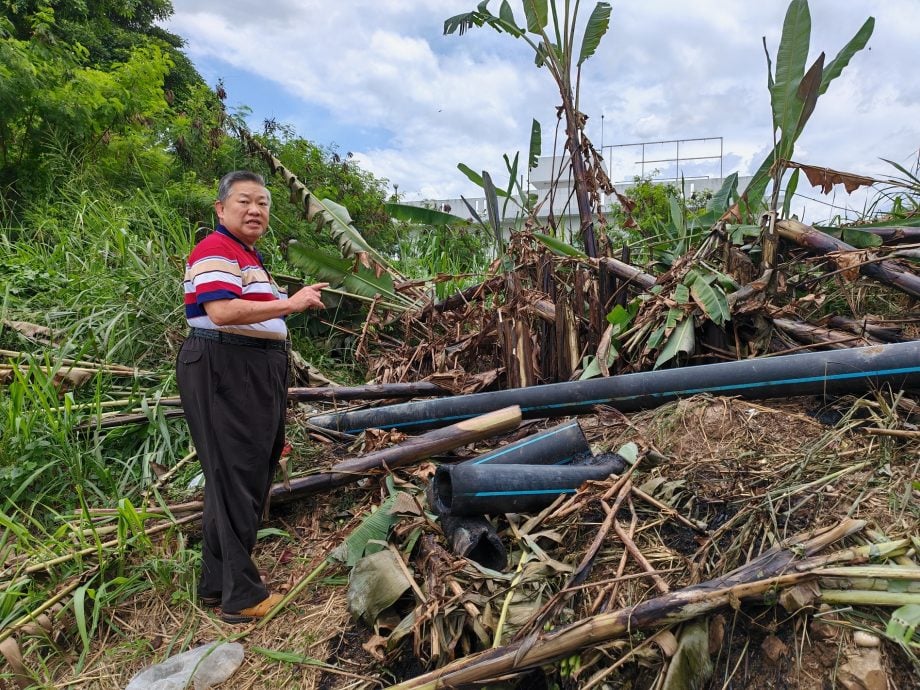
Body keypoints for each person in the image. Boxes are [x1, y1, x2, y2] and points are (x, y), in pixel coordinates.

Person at [176, 170, 328, 623]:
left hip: (245, 366)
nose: (255, 210)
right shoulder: (215, 249)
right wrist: (292, 303)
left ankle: (215, 584)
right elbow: (222, 311)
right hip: (227, 366)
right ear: (221, 209)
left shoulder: (245, 255)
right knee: (237, 475)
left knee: (238, 475)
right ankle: (241, 597)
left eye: (262, 203)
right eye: (244, 201)